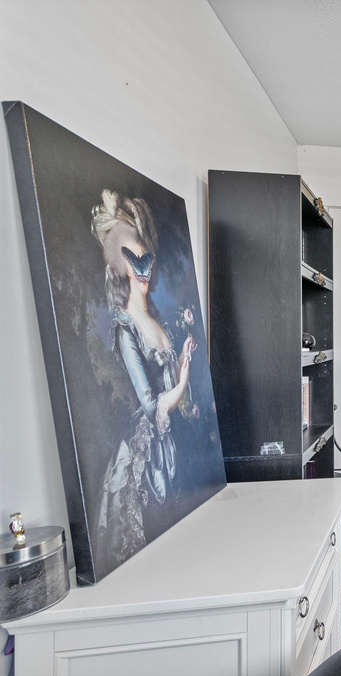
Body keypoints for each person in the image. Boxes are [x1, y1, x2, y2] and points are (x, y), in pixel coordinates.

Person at [91, 189, 197, 564]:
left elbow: (169, 378)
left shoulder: (155, 318)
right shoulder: (125, 328)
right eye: (131, 259)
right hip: (146, 446)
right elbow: (151, 405)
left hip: (171, 441)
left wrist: (182, 359)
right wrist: (182, 382)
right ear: (118, 268)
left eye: (145, 258)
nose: (142, 268)